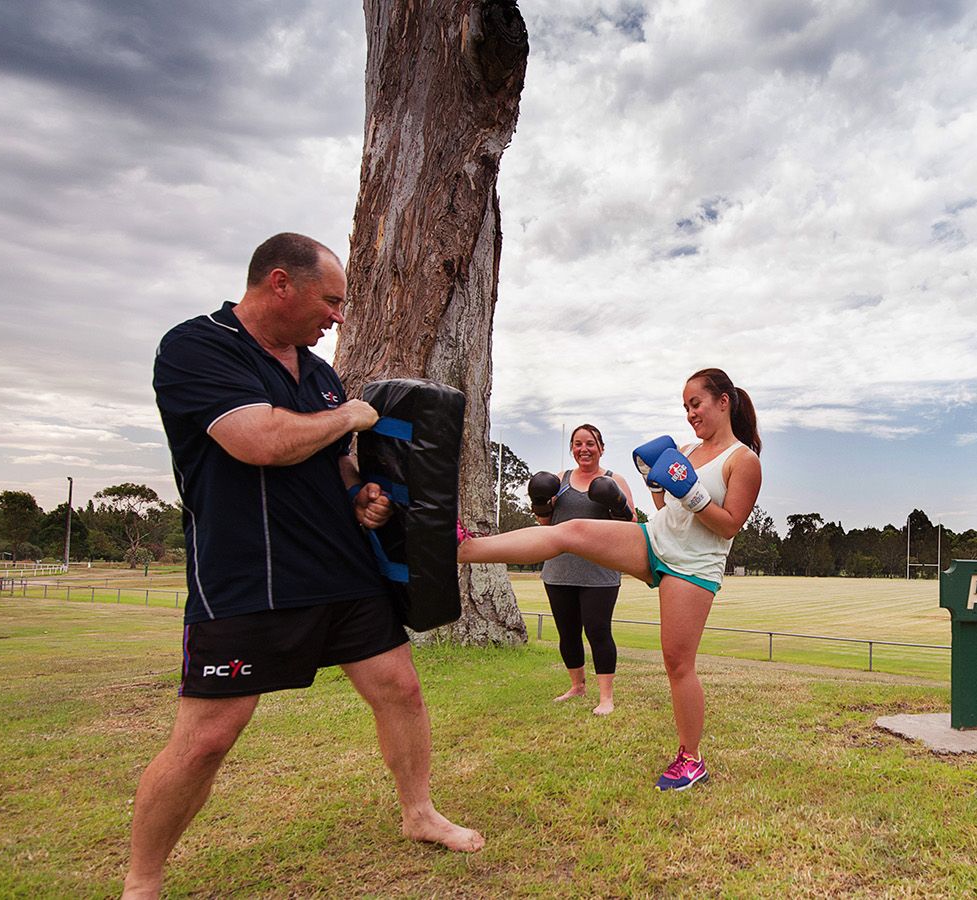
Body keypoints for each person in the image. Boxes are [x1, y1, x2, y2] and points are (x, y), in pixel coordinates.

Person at [126, 233, 480, 898]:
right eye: (331, 301)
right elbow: (258, 441)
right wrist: (350, 412)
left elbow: (335, 460)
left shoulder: (316, 373)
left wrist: (362, 493)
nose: (338, 317)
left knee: (399, 692)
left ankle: (419, 813)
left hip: (341, 573)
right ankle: (143, 881)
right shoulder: (198, 347)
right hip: (247, 579)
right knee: (207, 738)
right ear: (280, 284)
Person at [458, 368, 762, 791]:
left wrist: (693, 492)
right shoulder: (690, 449)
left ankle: (691, 759)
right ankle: (464, 548)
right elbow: (665, 505)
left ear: (723, 401)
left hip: (692, 565)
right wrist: (653, 480)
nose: (690, 414)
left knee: (677, 662)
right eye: (686, 406)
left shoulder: (743, 461)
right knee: (570, 532)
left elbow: (728, 526)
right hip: (653, 540)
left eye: (697, 404)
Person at [531, 424, 637, 715]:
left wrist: (616, 504)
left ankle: (606, 697)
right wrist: (539, 501)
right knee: (567, 633)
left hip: (600, 573)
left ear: (601, 447)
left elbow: (631, 526)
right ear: (572, 449)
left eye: (590, 443)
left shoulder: (614, 480)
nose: (583, 449)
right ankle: (577, 686)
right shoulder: (559, 480)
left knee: (598, 630)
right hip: (559, 570)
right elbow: (545, 524)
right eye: (577, 444)